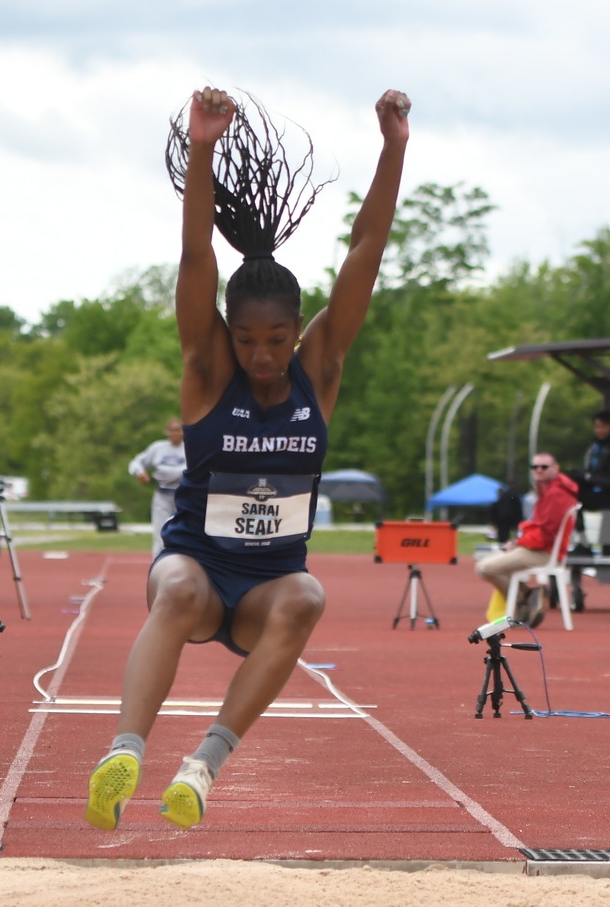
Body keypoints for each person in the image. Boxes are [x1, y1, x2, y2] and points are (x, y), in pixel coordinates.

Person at [84, 85, 409, 832]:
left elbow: (367, 250)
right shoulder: (206, 371)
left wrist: (391, 151)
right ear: (226, 332)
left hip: (266, 587)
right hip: (197, 569)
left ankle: (201, 768)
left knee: (309, 597)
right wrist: (201, 149)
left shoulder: (318, 370)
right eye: (247, 339)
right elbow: (196, 253)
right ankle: (123, 752)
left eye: (275, 340)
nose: (261, 356)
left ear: (298, 332)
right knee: (169, 588)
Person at [474, 453, 579, 626]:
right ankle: (527, 596)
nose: (538, 470)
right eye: (535, 467)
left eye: (544, 467)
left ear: (555, 468)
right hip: (542, 548)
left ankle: (524, 598)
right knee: (493, 560)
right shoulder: (551, 490)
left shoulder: (556, 494)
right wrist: (521, 538)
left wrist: (518, 542)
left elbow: (545, 535)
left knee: (485, 568)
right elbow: (540, 527)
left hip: (545, 552)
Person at [127, 417, 189, 555]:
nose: (175, 433)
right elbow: (136, 462)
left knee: (185, 537)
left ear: (183, 431)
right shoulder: (158, 448)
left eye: (178, 430)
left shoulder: (190, 448)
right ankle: (158, 569)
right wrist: (139, 472)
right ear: (166, 432)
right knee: (160, 537)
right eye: (172, 430)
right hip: (162, 497)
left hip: (184, 498)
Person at [577, 409, 610, 554]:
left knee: (573, 499)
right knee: (567, 496)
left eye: (603, 426)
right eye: (597, 426)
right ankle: (583, 541)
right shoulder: (595, 446)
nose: (599, 430)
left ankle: (598, 550)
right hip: (595, 491)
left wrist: (588, 478)